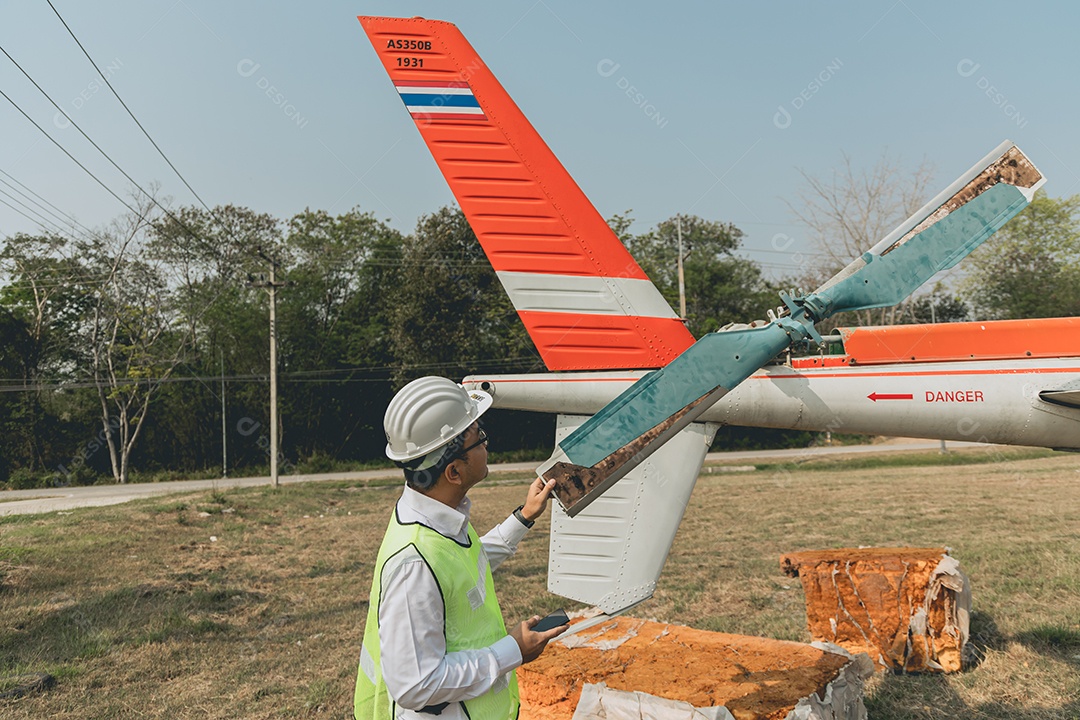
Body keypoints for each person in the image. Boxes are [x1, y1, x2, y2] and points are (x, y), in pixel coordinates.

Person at [354, 376, 565, 719]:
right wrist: (512, 650)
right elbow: (415, 685)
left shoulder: (433, 518)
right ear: (453, 471)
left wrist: (525, 516)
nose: (487, 445)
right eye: (479, 439)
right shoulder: (413, 564)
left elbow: (465, 565)